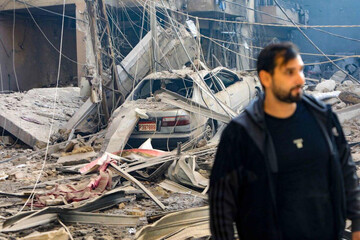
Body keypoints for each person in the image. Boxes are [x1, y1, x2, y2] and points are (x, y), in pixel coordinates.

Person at [209, 42, 360, 240]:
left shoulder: (322, 116)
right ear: (266, 77)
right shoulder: (242, 132)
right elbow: (221, 199)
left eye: (300, 70)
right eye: (290, 72)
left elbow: (345, 168)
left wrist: (357, 222)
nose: (300, 79)